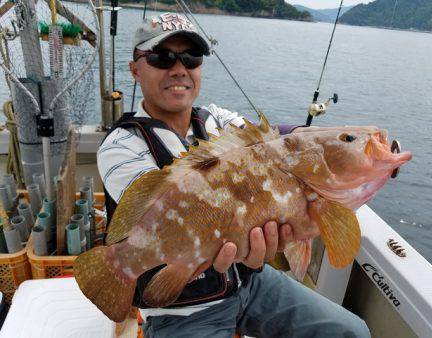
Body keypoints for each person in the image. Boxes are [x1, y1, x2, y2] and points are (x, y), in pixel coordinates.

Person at [98, 12, 370, 338]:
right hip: (184, 312)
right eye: (162, 57)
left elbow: (275, 140)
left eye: (191, 57)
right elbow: (150, 211)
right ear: (135, 69)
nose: (179, 68)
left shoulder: (216, 119)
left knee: (351, 332)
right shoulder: (120, 146)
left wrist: (329, 144)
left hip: (251, 283)